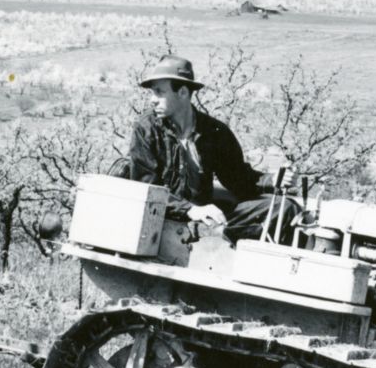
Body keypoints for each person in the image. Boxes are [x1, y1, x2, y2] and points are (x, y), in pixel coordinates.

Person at [120, 56, 290, 240]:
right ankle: (223, 238)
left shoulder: (214, 131)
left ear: (183, 92)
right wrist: (190, 210)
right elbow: (147, 189)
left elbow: (238, 179)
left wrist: (272, 180)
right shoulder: (146, 129)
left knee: (284, 208)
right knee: (220, 230)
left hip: (206, 216)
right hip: (166, 218)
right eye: (152, 93)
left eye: (160, 92)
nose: (153, 100)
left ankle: (225, 236)